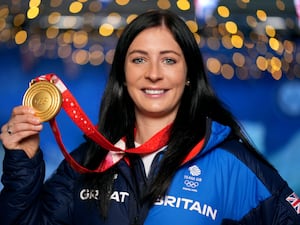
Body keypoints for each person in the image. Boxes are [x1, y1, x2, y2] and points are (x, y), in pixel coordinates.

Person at [0, 9, 299, 225]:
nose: (153, 74)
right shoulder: (89, 162)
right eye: (139, 59)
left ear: (189, 75)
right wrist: (22, 163)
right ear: (123, 73)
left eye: (169, 60)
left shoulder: (231, 164)